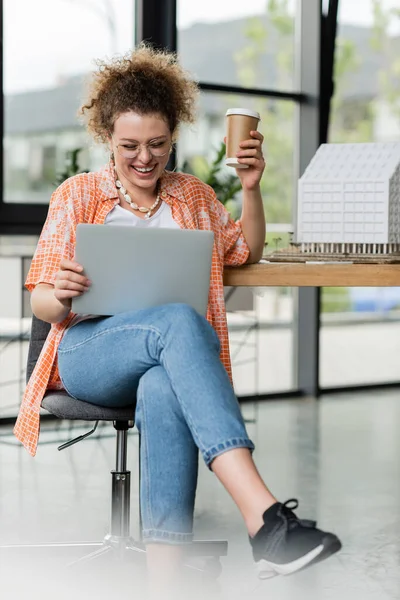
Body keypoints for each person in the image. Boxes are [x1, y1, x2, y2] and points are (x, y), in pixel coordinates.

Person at [14, 44, 341, 596]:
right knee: (178, 322)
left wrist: (253, 187)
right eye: (130, 147)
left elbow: (245, 250)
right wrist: (62, 294)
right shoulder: (77, 195)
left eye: (158, 145)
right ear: (108, 140)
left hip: (162, 351)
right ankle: (264, 517)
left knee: (165, 381)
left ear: (174, 138)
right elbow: (40, 303)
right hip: (88, 352)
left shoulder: (192, 196)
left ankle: (164, 583)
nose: (145, 158)